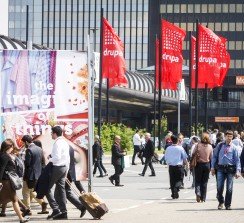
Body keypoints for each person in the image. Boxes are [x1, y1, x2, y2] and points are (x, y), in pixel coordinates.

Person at [0, 139, 29, 223]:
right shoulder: (5, 156)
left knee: (13, 199)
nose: (13, 148)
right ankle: (21, 218)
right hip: (6, 181)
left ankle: (22, 217)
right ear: (9, 147)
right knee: (14, 200)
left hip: (7, 181)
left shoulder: (5, 155)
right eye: (12, 146)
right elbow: (1, 169)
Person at [211, 130, 241, 210]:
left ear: (232, 137)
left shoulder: (234, 148)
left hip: (230, 169)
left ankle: (228, 205)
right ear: (225, 137)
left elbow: (237, 160)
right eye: (228, 136)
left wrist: (238, 171)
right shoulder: (219, 145)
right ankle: (221, 202)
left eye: (231, 137)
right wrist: (212, 167)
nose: (229, 138)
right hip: (220, 168)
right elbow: (214, 157)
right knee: (219, 187)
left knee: (229, 188)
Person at [46, 126, 70, 220]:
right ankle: (63, 212)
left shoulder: (57, 143)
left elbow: (57, 158)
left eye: (51, 133)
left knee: (46, 187)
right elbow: (67, 158)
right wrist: (66, 171)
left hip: (57, 167)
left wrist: (49, 159)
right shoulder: (64, 142)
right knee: (61, 189)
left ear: (55, 133)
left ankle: (56, 209)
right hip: (64, 167)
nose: (51, 135)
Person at [21, 135, 48, 215]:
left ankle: (27, 210)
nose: (23, 145)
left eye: (23, 143)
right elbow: (41, 162)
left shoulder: (29, 150)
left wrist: (25, 176)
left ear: (26, 142)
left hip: (30, 175)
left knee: (25, 192)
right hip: (37, 174)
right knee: (32, 191)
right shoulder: (39, 149)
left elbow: (27, 164)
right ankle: (43, 203)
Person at [65, 145, 86, 218]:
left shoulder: (64, 146)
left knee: (65, 191)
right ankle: (81, 205)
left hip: (67, 171)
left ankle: (61, 211)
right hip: (71, 170)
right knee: (66, 191)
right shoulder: (70, 146)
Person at [164, 135, 188, 199]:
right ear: (177, 141)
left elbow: (165, 158)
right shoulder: (180, 148)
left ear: (171, 141)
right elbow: (184, 158)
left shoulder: (168, 148)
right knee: (180, 179)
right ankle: (176, 189)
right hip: (179, 166)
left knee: (172, 180)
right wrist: (186, 165)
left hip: (171, 166)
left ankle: (173, 193)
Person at [193, 133, 213, 202]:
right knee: (204, 182)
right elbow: (211, 157)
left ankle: (198, 193)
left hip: (198, 164)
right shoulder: (210, 146)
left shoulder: (198, 145)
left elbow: (193, 153)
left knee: (198, 181)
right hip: (207, 165)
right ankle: (203, 198)